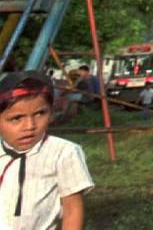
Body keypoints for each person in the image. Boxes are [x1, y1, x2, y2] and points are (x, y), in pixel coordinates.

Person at [0, 71, 94, 229]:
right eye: (16, 118)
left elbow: (72, 209)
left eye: (40, 114)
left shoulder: (63, 153)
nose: (30, 126)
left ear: (51, 113)